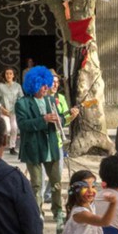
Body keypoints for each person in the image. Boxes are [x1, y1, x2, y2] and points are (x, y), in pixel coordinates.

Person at [15, 66, 64, 224]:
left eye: (46, 84)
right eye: (42, 85)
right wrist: (43, 120)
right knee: (36, 184)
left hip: (51, 146)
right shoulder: (22, 103)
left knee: (56, 182)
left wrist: (60, 119)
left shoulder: (50, 100)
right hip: (34, 148)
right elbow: (23, 125)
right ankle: (37, 213)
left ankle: (57, 211)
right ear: (34, 85)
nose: (46, 88)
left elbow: (60, 119)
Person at [41, 69, 80, 207]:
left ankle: (48, 195)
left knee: (57, 171)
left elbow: (64, 120)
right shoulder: (39, 99)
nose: (55, 85)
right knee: (41, 172)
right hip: (42, 140)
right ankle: (40, 197)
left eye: (57, 82)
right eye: (53, 82)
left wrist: (72, 116)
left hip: (56, 139)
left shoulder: (61, 98)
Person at [0, 67, 24, 155]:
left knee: (14, 128)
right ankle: (1, 144)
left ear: (13, 75)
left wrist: (19, 106)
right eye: (7, 73)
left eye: (10, 73)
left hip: (14, 111)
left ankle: (12, 147)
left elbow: (21, 98)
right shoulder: (0, 86)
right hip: (4, 111)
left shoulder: (17, 86)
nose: (8, 75)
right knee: (7, 128)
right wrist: (1, 108)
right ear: (4, 75)